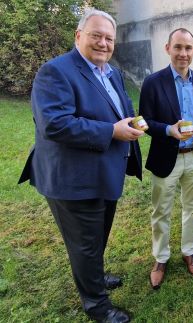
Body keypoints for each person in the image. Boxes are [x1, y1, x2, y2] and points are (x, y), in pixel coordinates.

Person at [18, 8, 142, 323]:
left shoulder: (111, 72)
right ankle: (98, 307)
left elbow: (121, 108)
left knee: (97, 237)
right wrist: (112, 131)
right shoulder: (55, 71)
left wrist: (135, 122)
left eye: (109, 38)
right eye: (96, 35)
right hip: (72, 179)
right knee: (86, 245)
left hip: (105, 172)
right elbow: (55, 124)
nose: (103, 43)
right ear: (78, 36)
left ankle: (94, 277)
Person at [139, 28, 193, 289]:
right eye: (178, 47)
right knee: (161, 211)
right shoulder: (153, 82)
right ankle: (161, 258)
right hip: (166, 157)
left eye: (188, 48)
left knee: (191, 210)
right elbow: (145, 120)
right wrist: (167, 130)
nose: (183, 53)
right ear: (167, 48)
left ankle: (189, 251)